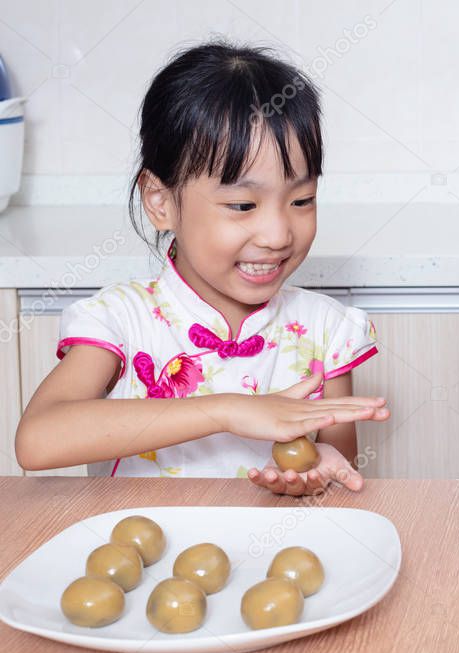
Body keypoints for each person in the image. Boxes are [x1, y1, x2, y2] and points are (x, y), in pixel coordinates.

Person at [15, 43, 389, 495]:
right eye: (242, 204)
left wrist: (318, 474)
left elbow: (337, 465)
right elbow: (38, 441)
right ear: (160, 202)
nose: (277, 234)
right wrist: (227, 410)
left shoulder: (327, 329)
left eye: (301, 200)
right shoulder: (122, 320)